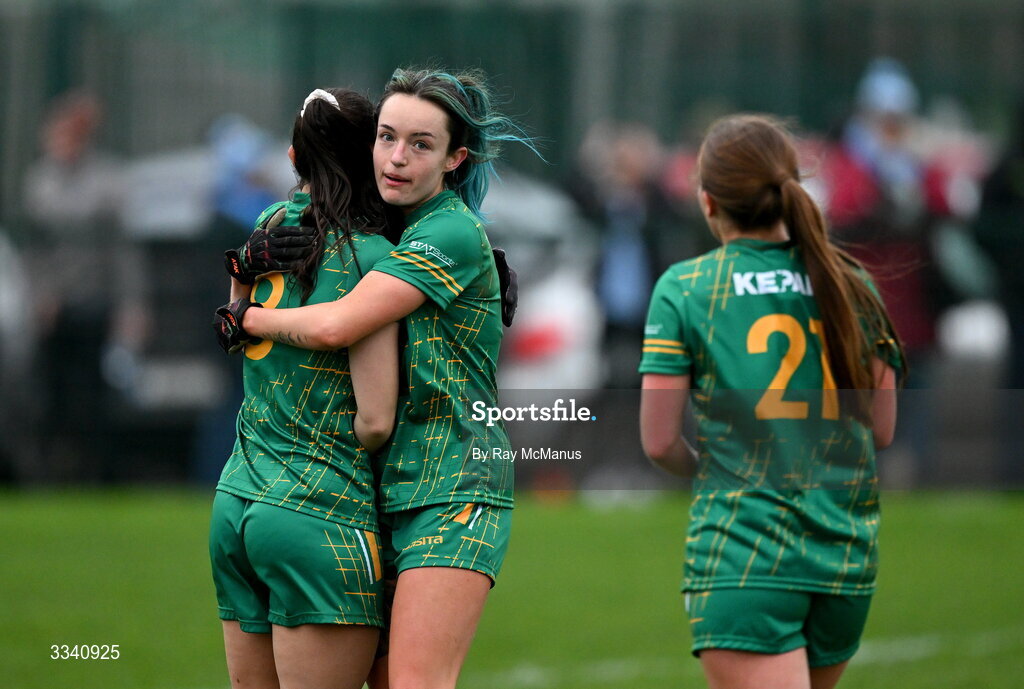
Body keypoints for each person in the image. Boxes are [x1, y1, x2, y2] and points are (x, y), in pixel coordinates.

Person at [216, 67, 537, 689]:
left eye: (421, 144)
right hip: (381, 489)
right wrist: (242, 269)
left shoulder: (446, 229)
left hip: (450, 489)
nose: (396, 157)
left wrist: (242, 314)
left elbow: (338, 326)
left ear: (455, 159)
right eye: (386, 137)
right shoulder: (388, 228)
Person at [639, 115, 905, 689]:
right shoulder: (854, 282)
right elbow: (880, 431)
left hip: (746, 553)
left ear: (708, 202)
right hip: (845, 557)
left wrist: (714, 471)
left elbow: (659, 442)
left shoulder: (686, 288)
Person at [208, 87, 399, 689]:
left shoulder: (266, 227)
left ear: (292, 158)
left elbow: (231, 327)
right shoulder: (374, 260)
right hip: (318, 511)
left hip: (236, 499)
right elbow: (374, 421)